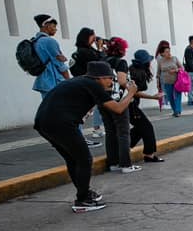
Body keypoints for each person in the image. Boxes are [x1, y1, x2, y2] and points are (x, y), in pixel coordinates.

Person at [34, 61, 138, 212]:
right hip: (61, 124)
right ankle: (82, 200)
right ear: (100, 77)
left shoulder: (80, 82)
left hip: (43, 122)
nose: (111, 82)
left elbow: (82, 103)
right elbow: (118, 109)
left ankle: (84, 193)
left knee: (72, 158)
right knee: (84, 159)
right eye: (110, 78)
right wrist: (131, 93)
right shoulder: (93, 85)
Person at [100, 37, 141, 173]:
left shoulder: (103, 61)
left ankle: (113, 163)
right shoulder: (121, 62)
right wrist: (132, 88)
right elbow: (123, 81)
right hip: (118, 100)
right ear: (120, 49)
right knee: (123, 132)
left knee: (110, 132)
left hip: (103, 99)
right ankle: (125, 164)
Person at [128, 50, 165, 163]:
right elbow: (134, 92)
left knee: (141, 128)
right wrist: (153, 97)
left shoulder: (133, 70)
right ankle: (149, 154)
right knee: (147, 127)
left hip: (130, 104)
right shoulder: (139, 73)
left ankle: (123, 148)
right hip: (130, 105)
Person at [71, 28, 106, 139]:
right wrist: (100, 48)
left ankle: (82, 135)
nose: (94, 40)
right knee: (83, 112)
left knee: (87, 111)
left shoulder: (83, 50)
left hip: (84, 84)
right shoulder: (84, 52)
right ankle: (78, 136)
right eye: (93, 37)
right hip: (86, 86)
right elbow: (99, 63)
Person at [30, 14, 70, 98]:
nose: (56, 29)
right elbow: (60, 65)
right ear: (46, 25)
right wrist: (69, 82)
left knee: (49, 109)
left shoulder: (35, 41)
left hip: (43, 82)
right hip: (54, 82)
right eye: (54, 26)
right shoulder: (49, 41)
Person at [156, 44, 184, 117]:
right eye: (166, 52)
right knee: (170, 97)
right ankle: (175, 111)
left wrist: (175, 70)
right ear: (162, 54)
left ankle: (178, 111)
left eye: (169, 51)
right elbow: (158, 73)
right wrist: (157, 83)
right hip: (167, 82)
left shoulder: (174, 58)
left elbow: (182, 68)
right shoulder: (160, 61)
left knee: (178, 96)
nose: (169, 53)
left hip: (177, 81)